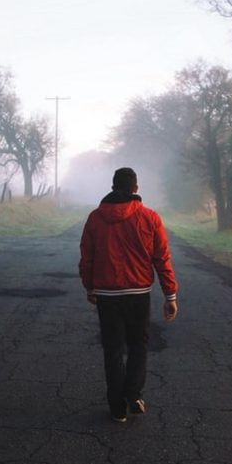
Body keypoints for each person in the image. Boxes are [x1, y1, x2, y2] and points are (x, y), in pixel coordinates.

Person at [79, 167, 178, 422]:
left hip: (107, 294)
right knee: (138, 345)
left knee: (112, 349)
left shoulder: (95, 218)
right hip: (138, 293)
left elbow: (86, 257)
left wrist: (90, 286)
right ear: (136, 188)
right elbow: (161, 258)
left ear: (113, 186)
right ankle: (133, 394)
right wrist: (170, 295)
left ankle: (117, 407)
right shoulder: (150, 218)